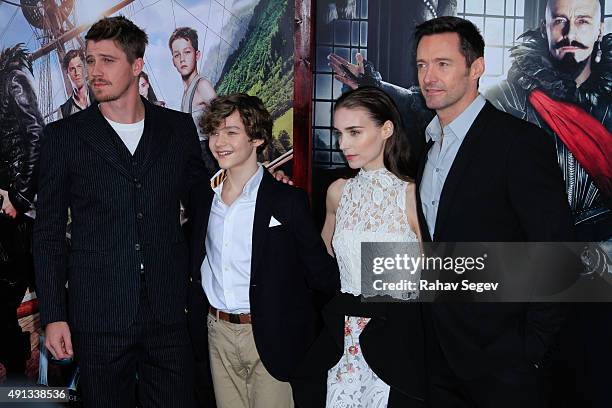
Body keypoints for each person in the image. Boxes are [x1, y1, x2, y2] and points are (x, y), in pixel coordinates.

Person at [33, 16, 206, 407]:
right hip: (97, 316)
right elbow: (47, 234)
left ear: (137, 65)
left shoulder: (176, 130)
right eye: (90, 61)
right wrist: (54, 314)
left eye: (107, 61)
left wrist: (259, 189)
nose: (94, 71)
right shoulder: (63, 139)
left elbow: (205, 206)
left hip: (169, 312)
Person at [412, 16, 576, 407]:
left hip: (503, 365)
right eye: (421, 65)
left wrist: (530, 349)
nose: (428, 76)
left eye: (443, 63)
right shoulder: (425, 145)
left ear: (477, 67)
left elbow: (556, 251)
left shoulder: (518, 144)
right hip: (435, 358)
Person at [186, 93, 340, 408]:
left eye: (231, 132)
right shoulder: (204, 198)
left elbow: (319, 275)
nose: (219, 141)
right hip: (217, 334)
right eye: (214, 131)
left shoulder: (287, 201)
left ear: (257, 138)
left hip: (272, 335)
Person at [293, 86, 425, 408]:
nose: (343, 144)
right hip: (344, 339)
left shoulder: (412, 195)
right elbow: (320, 264)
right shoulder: (338, 192)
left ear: (386, 129)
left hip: (396, 339)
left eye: (354, 132)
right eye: (339, 133)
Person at [0, 42, 44, 383]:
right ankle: (19, 381)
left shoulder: (13, 77)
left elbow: (36, 135)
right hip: (9, 217)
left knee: (57, 300)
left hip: (26, 216)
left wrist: (19, 196)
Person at [169, 27, 218, 175]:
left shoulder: (202, 85)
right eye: (177, 55)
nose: (182, 59)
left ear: (197, 55)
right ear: (173, 61)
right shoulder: (186, 93)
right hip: (197, 160)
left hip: (210, 159)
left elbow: (224, 119)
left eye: (187, 52)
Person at [59, 48, 94, 118]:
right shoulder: (63, 112)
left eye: (79, 67)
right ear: (67, 74)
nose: (76, 72)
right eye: (72, 69)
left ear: (84, 68)